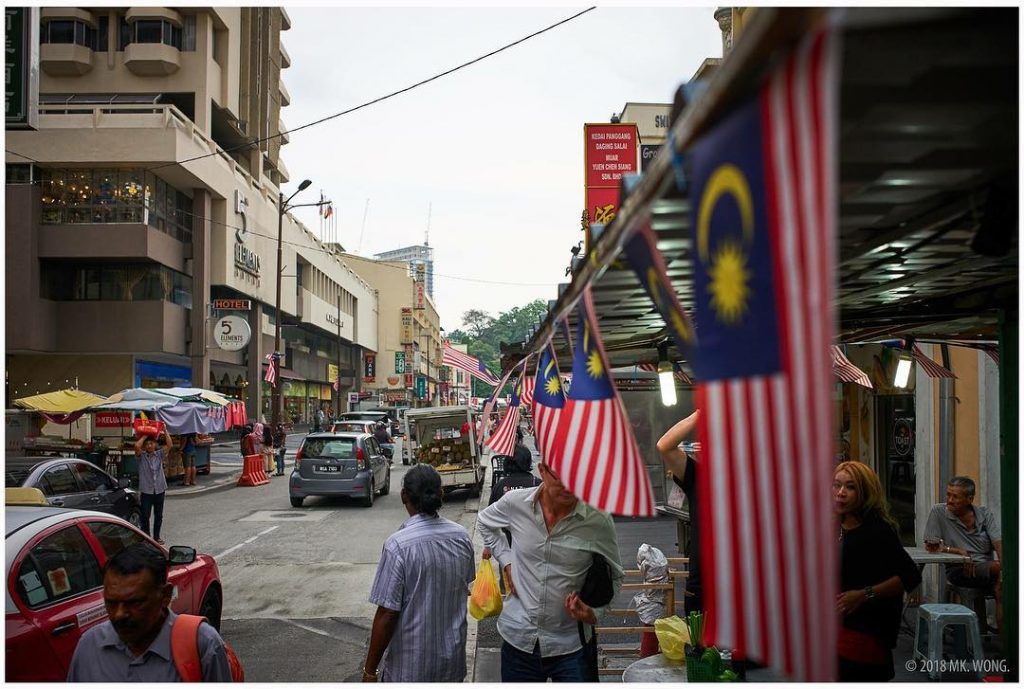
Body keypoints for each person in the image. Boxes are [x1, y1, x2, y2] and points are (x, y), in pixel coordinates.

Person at [477, 461, 624, 682]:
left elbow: (616, 574)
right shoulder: (515, 504)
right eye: (560, 477)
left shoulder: (598, 520)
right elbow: (484, 522)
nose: (569, 486)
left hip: (570, 645)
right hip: (519, 638)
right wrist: (507, 561)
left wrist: (595, 613)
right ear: (543, 470)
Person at [363, 465, 475, 683]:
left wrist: (370, 670)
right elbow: (465, 584)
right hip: (451, 663)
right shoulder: (461, 537)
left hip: (410, 669)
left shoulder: (398, 545)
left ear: (404, 496)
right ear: (441, 494)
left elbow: (387, 614)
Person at [68, 543, 231, 682]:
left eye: (134, 603)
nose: (119, 614)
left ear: (165, 595)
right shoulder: (88, 647)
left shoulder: (203, 645)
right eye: (111, 602)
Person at [834, 460, 921, 682]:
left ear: (865, 492)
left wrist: (864, 595)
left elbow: (909, 575)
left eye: (850, 487)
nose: (841, 493)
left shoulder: (877, 531)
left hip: (865, 632)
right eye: (837, 485)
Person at [922, 476, 1002, 625]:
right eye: (948, 494)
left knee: (1001, 588)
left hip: (986, 569)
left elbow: (998, 543)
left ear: (969, 499)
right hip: (960, 569)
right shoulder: (939, 512)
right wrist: (960, 553)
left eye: (955, 496)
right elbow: (931, 546)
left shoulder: (984, 514)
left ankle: (1005, 643)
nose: (949, 500)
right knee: (999, 569)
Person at [655, 410, 702, 616]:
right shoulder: (700, 477)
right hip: (703, 586)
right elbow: (664, 445)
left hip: (746, 585)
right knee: (702, 646)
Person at [134, 426, 172, 544]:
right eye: (147, 444)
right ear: (145, 446)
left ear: (155, 444)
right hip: (147, 490)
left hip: (159, 489)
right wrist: (146, 434)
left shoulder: (159, 454)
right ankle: (146, 537)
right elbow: (136, 446)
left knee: (158, 515)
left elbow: (169, 445)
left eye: (151, 443)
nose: (150, 446)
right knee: (145, 515)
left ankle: (156, 537)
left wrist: (164, 430)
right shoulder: (142, 457)